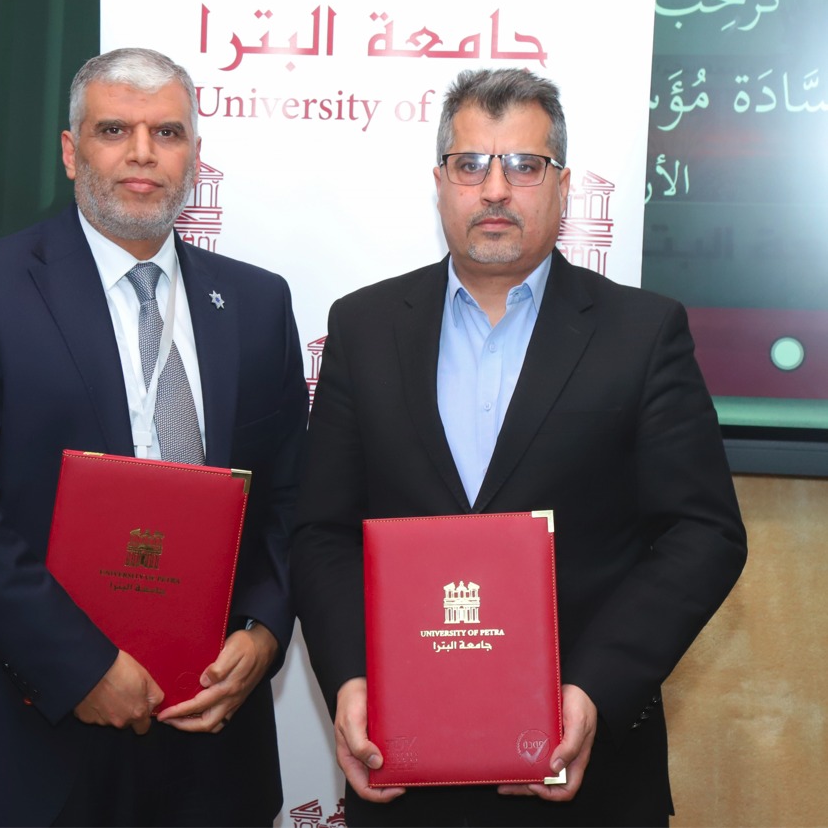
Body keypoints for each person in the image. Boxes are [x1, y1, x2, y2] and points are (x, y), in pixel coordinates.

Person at [0, 48, 309, 827]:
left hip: (208, 737)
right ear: (72, 152)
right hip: (30, 724)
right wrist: (80, 666)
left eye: (167, 132)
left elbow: (293, 497)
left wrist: (265, 630)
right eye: (113, 130)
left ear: (194, 155)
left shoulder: (257, 303)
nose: (142, 152)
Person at [291, 68, 747, 828]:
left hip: (588, 777)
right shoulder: (364, 327)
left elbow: (704, 533)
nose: (496, 189)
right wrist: (350, 679)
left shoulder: (642, 333)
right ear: (440, 182)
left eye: (525, 165)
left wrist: (595, 689)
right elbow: (322, 531)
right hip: (402, 771)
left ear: (563, 187)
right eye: (471, 164)